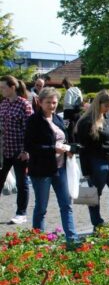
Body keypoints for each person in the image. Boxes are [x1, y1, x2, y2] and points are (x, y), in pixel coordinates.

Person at [24, 87, 78, 243]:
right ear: (40, 103)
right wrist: (53, 149)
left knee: (66, 204)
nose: (52, 106)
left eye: (54, 103)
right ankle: (38, 240)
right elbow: (30, 146)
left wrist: (69, 148)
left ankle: (72, 239)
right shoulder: (33, 121)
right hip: (41, 170)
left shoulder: (57, 119)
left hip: (60, 168)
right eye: (48, 102)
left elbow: (64, 139)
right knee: (41, 207)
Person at [75, 90, 109, 230]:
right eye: (107, 106)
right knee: (94, 194)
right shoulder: (86, 121)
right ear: (99, 104)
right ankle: (97, 222)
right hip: (96, 160)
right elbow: (83, 148)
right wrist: (85, 170)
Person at [0, 75, 33, 224]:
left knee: (21, 182)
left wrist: (26, 150)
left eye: (3, 87)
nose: (1, 90)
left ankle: (21, 213)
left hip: (19, 151)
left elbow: (29, 129)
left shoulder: (24, 104)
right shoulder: (3, 104)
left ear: (12, 88)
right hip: (4, 149)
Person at [62, 78, 83, 143]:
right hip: (77, 112)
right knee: (77, 129)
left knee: (68, 129)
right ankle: (77, 143)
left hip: (68, 113)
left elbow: (67, 102)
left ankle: (71, 145)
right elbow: (81, 100)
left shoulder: (69, 91)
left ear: (65, 84)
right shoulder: (78, 90)